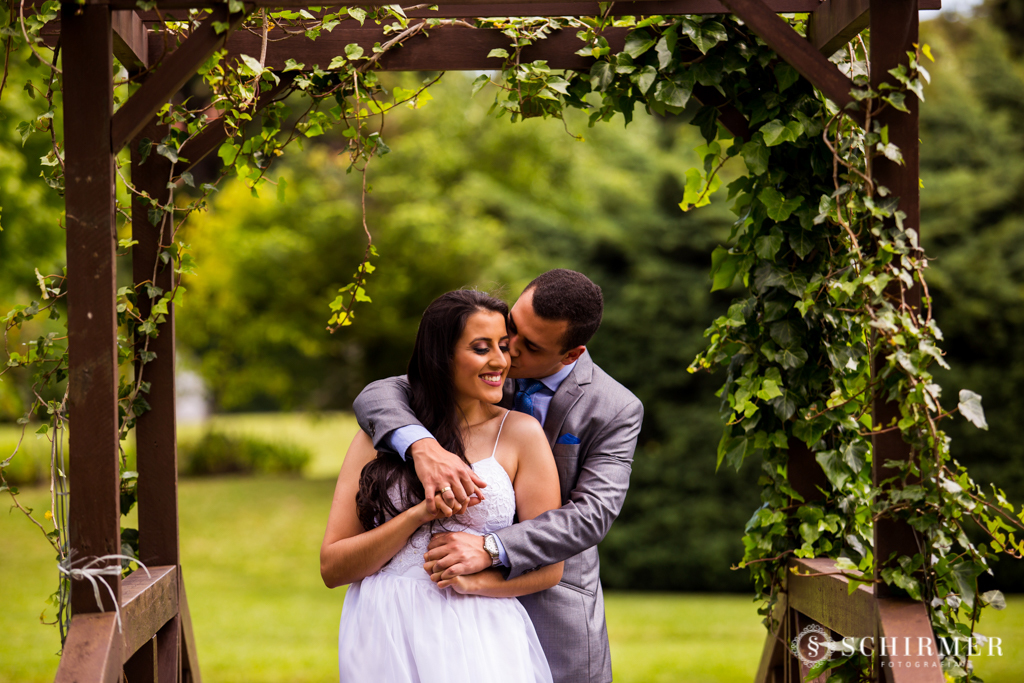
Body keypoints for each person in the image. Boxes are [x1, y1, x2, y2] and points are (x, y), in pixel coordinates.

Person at [352, 269, 644, 683]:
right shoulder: (482, 371)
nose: (509, 353)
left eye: (529, 346)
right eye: (512, 332)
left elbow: (591, 516)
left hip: (550, 596)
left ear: (571, 354)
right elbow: (377, 396)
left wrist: (491, 548)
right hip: (443, 610)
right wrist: (422, 446)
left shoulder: (614, 407)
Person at [320, 289, 564, 682]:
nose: (500, 361)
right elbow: (333, 568)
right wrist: (420, 514)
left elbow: (551, 567)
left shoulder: (521, 434)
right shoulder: (379, 437)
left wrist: (475, 582)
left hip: (479, 630)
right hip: (383, 630)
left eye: (503, 346)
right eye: (481, 348)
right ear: (441, 356)